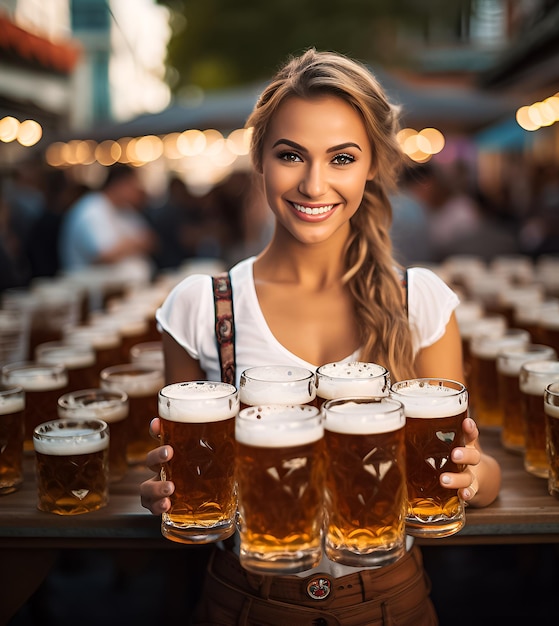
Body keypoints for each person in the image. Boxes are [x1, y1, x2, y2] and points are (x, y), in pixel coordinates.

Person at [140, 48, 501, 625]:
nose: (313, 184)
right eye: (290, 155)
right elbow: (180, 484)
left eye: (341, 158)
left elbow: (479, 472)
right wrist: (163, 493)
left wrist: (471, 476)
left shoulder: (421, 300)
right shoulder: (200, 307)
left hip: (391, 601)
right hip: (245, 603)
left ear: (371, 167)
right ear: (259, 159)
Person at [58, 164, 156, 275]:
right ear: (120, 184)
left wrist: (124, 246)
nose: (139, 190)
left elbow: (151, 242)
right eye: (134, 185)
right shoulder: (92, 209)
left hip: (120, 282)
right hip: (90, 285)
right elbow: (104, 256)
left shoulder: (125, 209)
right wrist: (133, 244)